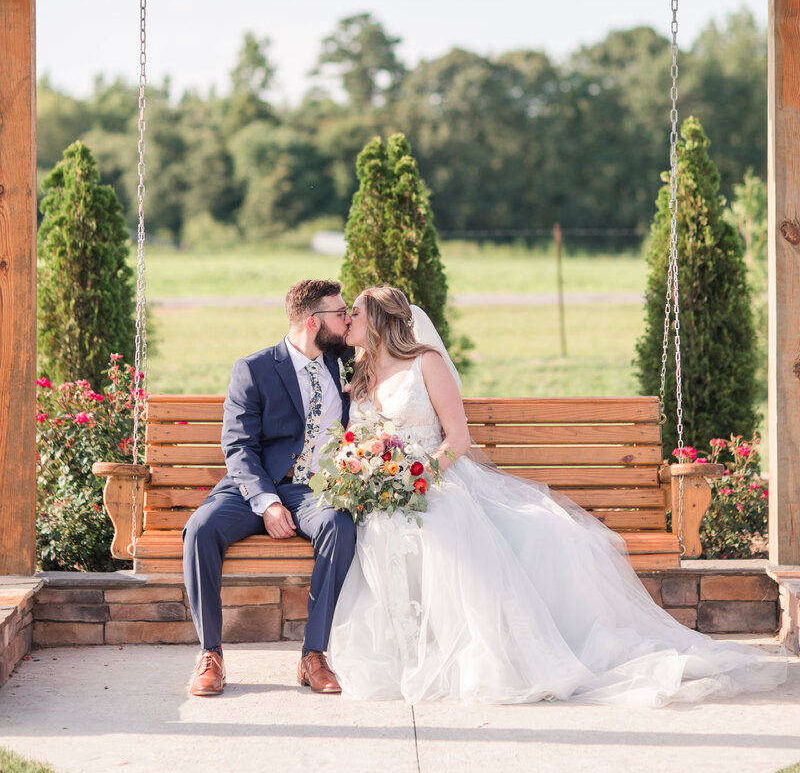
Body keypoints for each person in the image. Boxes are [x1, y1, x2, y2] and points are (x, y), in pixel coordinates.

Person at [327, 285, 787, 705]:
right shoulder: (362, 373)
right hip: (388, 490)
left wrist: (417, 476)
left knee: (440, 527)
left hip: (436, 480)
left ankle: (475, 653)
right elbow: (358, 441)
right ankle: (407, 652)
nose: (348, 320)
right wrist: (367, 475)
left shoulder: (425, 364)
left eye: (355, 313)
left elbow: (458, 439)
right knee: (381, 529)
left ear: (380, 321)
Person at [183, 279, 355, 697]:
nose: (347, 320)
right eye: (340, 313)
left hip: (313, 491)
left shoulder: (347, 361)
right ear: (313, 322)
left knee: (340, 525)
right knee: (200, 529)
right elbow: (238, 445)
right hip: (253, 486)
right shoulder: (254, 368)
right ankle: (210, 654)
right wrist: (268, 503)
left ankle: (314, 654)